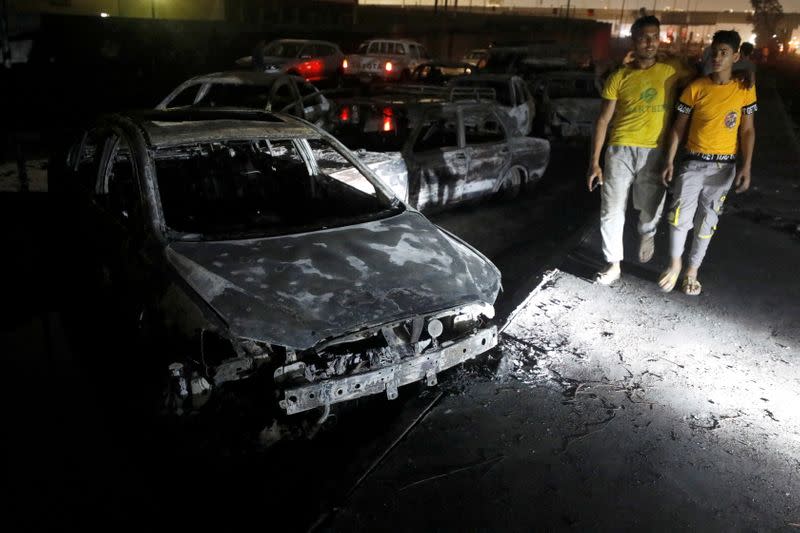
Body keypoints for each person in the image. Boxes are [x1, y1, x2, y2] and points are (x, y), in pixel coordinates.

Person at [587, 15, 694, 285]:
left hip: (654, 152)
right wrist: (594, 162)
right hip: (619, 150)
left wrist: (744, 70)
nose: (650, 42)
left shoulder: (671, 70)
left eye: (654, 37)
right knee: (611, 209)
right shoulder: (619, 76)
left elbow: (708, 75)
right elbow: (602, 120)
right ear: (633, 41)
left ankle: (647, 232)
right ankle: (613, 264)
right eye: (644, 37)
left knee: (650, 209)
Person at [658, 30, 757, 295]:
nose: (717, 57)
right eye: (714, 52)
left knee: (706, 222)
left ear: (736, 56)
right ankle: (675, 264)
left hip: (723, 168)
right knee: (679, 217)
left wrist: (746, 167)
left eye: (724, 53)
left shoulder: (745, 89)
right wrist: (669, 160)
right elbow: (678, 127)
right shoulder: (695, 88)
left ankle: (692, 270)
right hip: (693, 163)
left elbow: (747, 130)